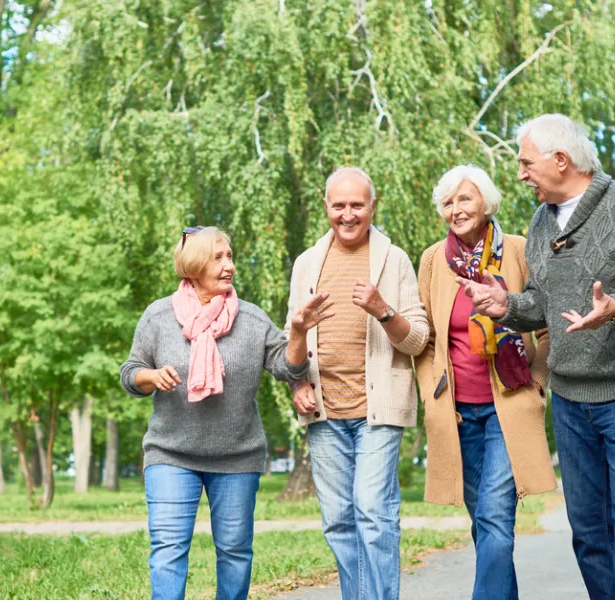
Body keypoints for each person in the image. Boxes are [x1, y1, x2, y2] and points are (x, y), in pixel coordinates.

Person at [457, 114, 615, 600]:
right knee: (588, 531)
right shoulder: (540, 222)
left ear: (560, 160)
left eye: (526, 163)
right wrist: (507, 306)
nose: (521, 173)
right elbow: (544, 304)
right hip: (570, 397)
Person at [120, 226, 333, 600]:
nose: (228, 265)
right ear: (194, 265)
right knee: (168, 551)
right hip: (170, 454)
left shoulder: (250, 319)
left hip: (237, 456)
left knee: (234, 552)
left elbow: (289, 367)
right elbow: (129, 372)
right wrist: (150, 376)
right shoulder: (159, 316)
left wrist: (298, 332)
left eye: (230, 256)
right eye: (218, 258)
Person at [285, 167, 429, 600]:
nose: (348, 215)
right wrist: (295, 383)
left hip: (377, 409)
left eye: (357, 205)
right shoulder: (307, 263)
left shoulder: (393, 259)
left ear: (373, 205)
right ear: (325, 205)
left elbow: (419, 340)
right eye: (339, 205)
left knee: (372, 510)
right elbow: (291, 348)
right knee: (339, 521)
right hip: (324, 412)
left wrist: (383, 310)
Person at [414, 165, 557, 600]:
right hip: (458, 412)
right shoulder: (433, 260)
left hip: (507, 406)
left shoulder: (517, 250)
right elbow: (427, 338)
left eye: (465, 199)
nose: (456, 209)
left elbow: (547, 324)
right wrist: (431, 393)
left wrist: (536, 380)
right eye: (449, 202)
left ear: (487, 203)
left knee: (495, 517)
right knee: (484, 522)